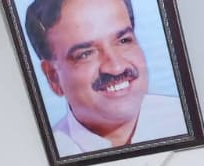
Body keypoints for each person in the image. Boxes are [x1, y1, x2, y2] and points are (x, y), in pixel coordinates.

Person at [22, 0, 188, 156]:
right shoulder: (45, 157)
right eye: (85, 54)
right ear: (53, 77)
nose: (116, 67)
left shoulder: (184, 120)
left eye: (124, 41)